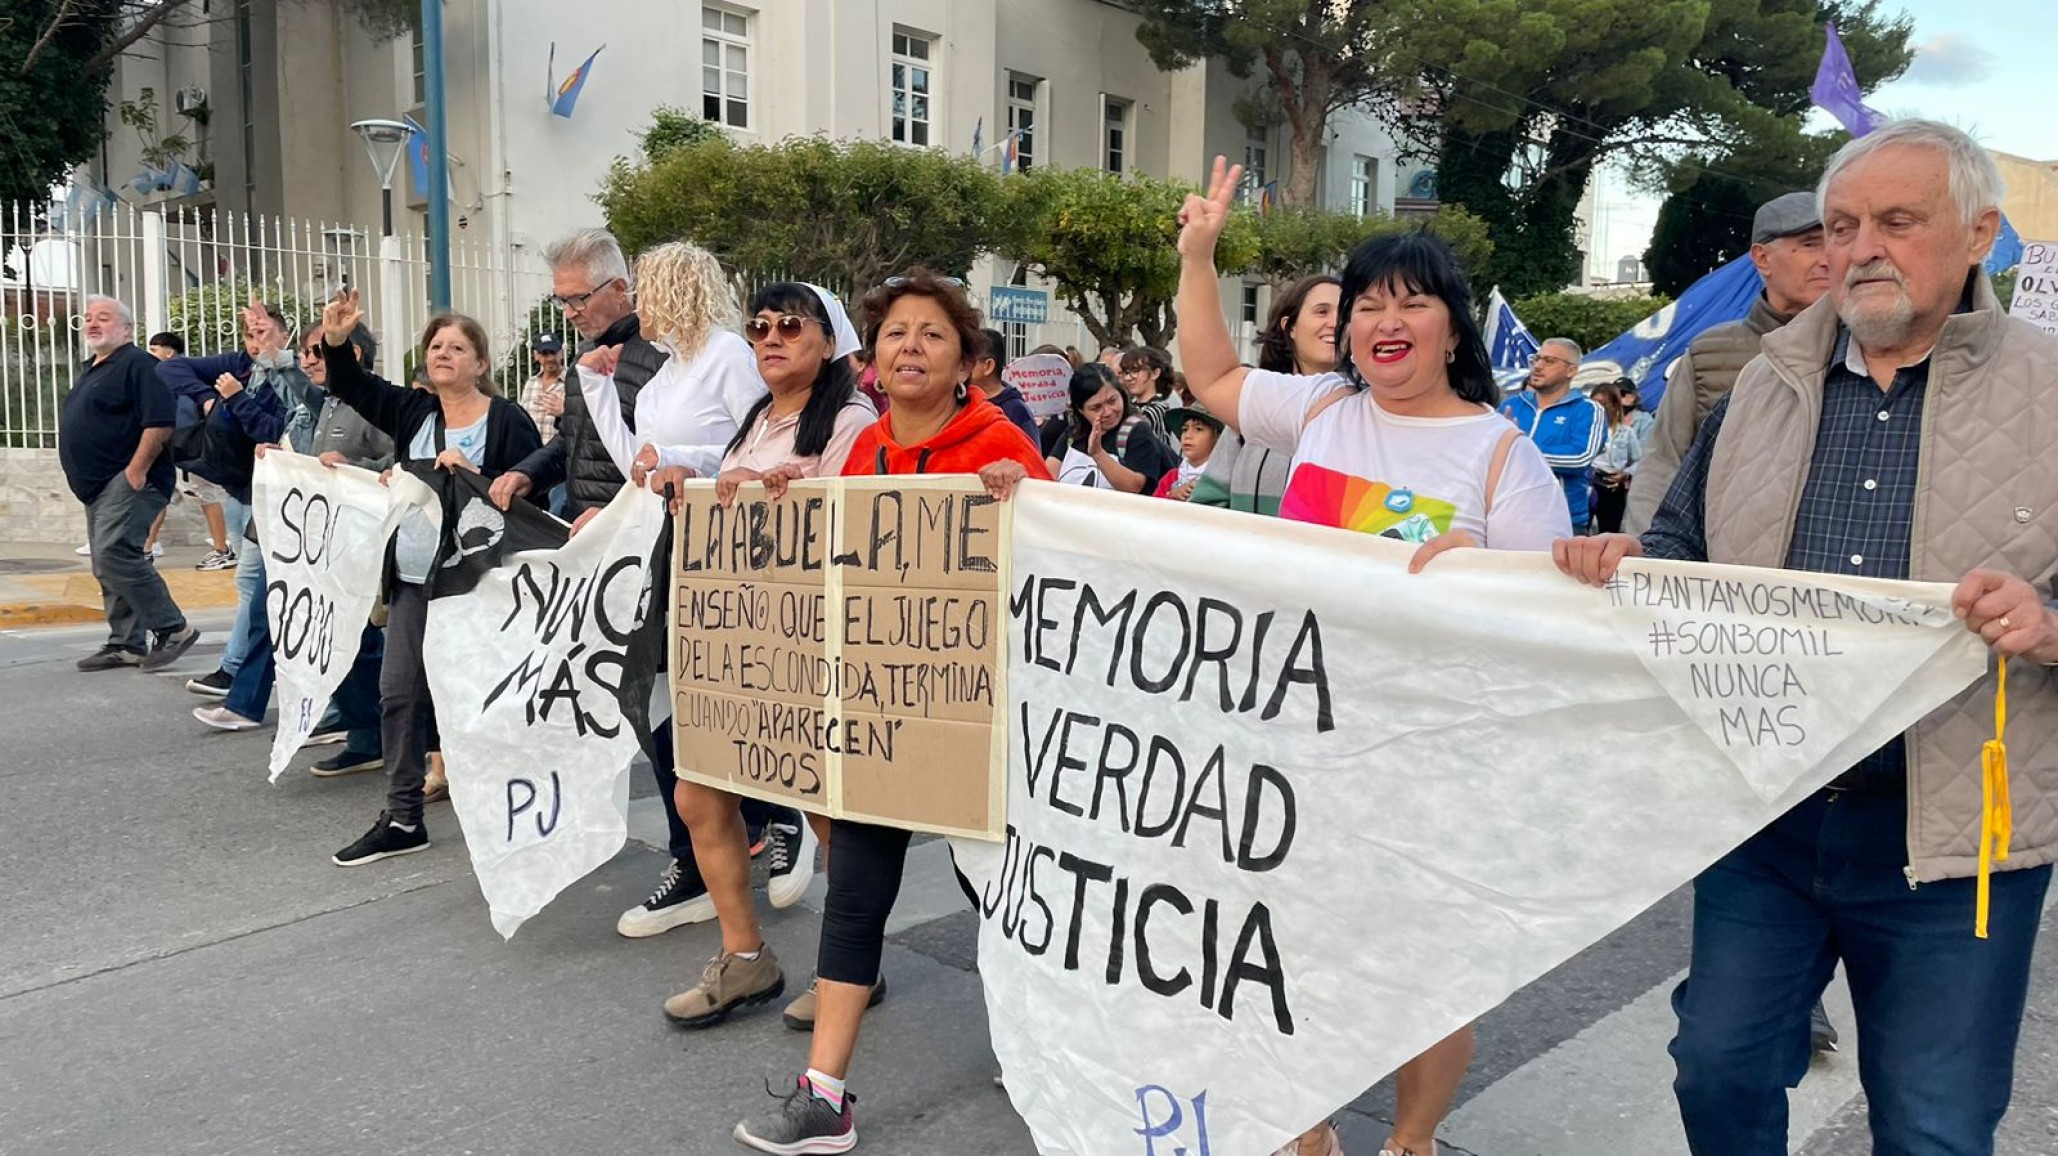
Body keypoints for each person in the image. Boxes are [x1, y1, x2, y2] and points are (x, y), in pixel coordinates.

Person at [1554, 119, 2058, 1156]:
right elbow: (1682, 551)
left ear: (1980, 234)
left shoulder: (2050, 392)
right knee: (1720, 1067)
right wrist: (1627, 562)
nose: (1859, 247)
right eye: (1841, 225)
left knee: (1935, 1125)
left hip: (1958, 838)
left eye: (1897, 221)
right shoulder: (1759, 389)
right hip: (1766, 813)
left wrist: (2048, 624)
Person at [1176, 156, 1568, 1156]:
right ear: (1346, 327)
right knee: (1282, 949)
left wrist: (1485, 567)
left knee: (1425, 966)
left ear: (1452, 325)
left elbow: (1550, 631)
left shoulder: (1499, 455)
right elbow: (1211, 375)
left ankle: (1411, 1139)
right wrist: (1198, 253)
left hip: (1431, 761)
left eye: (1413, 302)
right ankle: (1305, 1131)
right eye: (1367, 304)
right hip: (1295, 741)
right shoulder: (1319, 413)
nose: (1386, 321)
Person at [730, 270, 1049, 1155]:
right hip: (885, 712)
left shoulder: (1001, 447)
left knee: (1002, 897)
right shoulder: (862, 455)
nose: (911, 347)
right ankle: (822, 1094)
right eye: (897, 334)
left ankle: (1039, 1047)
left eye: (932, 335)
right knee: (857, 892)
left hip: (983, 724)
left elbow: (1062, 555)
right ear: (874, 363)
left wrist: (1026, 500)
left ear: (967, 364)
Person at [645, 281, 878, 1035]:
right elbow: (730, 503)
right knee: (698, 795)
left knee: (822, 808)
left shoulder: (848, 419)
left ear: (826, 339)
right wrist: (704, 484)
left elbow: (857, 513)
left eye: (790, 326)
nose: (771, 338)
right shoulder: (756, 417)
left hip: (806, 640)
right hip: (739, 643)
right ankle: (745, 956)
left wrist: (781, 486)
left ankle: (853, 964)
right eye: (759, 327)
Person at [316, 290, 543, 867]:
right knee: (399, 694)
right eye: (436, 345)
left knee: (483, 701)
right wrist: (337, 340)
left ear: (481, 364)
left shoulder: (507, 419)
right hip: (416, 578)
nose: (444, 353)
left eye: (458, 347)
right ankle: (401, 816)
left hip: (480, 588)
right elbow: (351, 385)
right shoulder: (413, 410)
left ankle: (513, 809)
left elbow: (532, 501)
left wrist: (480, 475)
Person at [1625, 190, 1829, 536]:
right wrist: (1647, 559)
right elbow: (1664, 462)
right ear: (1762, 258)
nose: (1829, 259)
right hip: (1724, 568)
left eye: (1836, 242)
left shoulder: (1869, 347)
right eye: (1811, 244)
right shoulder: (1709, 353)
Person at [159, 301, 306, 698]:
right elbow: (170, 368)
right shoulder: (242, 365)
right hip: (241, 488)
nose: (256, 343)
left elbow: (281, 428)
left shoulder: (293, 377)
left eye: (265, 333)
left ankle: (237, 674)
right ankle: (247, 677)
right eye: (250, 335)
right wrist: (209, 397)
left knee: (254, 583)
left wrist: (237, 398)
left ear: (284, 335)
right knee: (255, 586)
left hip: (275, 494)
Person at [59, 296, 198, 673]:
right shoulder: (95, 368)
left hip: (128, 480)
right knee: (106, 562)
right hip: (98, 485)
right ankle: (126, 643)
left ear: (126, 329)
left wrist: (136, 470)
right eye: (88, 318)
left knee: (115, 553)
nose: (92, 324)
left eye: (103, 318)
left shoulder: (139, 364)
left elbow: (159, 422)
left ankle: (174, 628)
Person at [493, 229, 647, 524]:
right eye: (560, 300)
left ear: (618, 289)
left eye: (578, 299)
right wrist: (528, 472)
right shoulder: (584, 356)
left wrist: (615, 517)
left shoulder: (661, 357)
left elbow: (671, 463)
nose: (568, 313)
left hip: (637, 538)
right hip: (584, 533)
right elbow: (574, 439)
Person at [1191, 273, 1340, 515]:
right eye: (1322, 311)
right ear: (1289, 327)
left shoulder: (1363, 412)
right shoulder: (1253, 406)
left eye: (1345, 313)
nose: (1335, 322)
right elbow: (1207, 505)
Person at [1498, 337, 1603, 532]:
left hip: (1562, 520)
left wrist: (1520, 451)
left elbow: (1580, 457)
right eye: (1537, 359)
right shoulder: (1511, 405)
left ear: (1571, 370)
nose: (1538, 366)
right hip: (1506, 515)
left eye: (1549, 361)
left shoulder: (1588, 410)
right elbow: (1488, 453)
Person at [1046, 362, 1180, 494]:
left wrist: (1098, 454)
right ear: (1080, 410)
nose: (1108, 412)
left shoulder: (1137, 432)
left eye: (1112, 401)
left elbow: (1134, 486)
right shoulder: (1074, 434)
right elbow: (1046, 476)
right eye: (1096, 408)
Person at [519, 333, 571, 513]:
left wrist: (564, 412)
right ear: (536, 356)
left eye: (553, 352)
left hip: (559, 463)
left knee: (556, 513)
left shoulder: (572, 382)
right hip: (533, 461)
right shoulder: (531, 384)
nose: (550, 358)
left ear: (562, 353)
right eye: (544, 353)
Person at [1586, 379, 1641, 535]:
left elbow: (1639, 460)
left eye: (1603, 403)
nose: (1598, 407)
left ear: (1615, 405)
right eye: (1594, 403)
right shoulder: (1584, 430)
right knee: (1581, 530)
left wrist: (1626, 474)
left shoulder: (1626, 433)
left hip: (1613, 485)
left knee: (1609, 532)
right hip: (1590, 481)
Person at [973, 326, 1040, 447]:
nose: (961, 367)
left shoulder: (1016, 411)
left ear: (988, 366)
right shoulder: (959, 402)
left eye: (968, 360)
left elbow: (1032, 459)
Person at [1153, 404, 1221, 499]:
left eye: (1198, 429)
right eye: (1184, 429)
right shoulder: (1171, 477)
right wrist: (1171, 496)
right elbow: (1153, 509)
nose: (1188, 435)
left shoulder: (1222, 480)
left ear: (1217, 437)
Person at [1116, 344, 1177, 439]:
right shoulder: (1128, 407)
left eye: (1135, 371)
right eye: (1126, 372)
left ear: (1155, 373)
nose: (1128, 378)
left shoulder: (1157, 411)